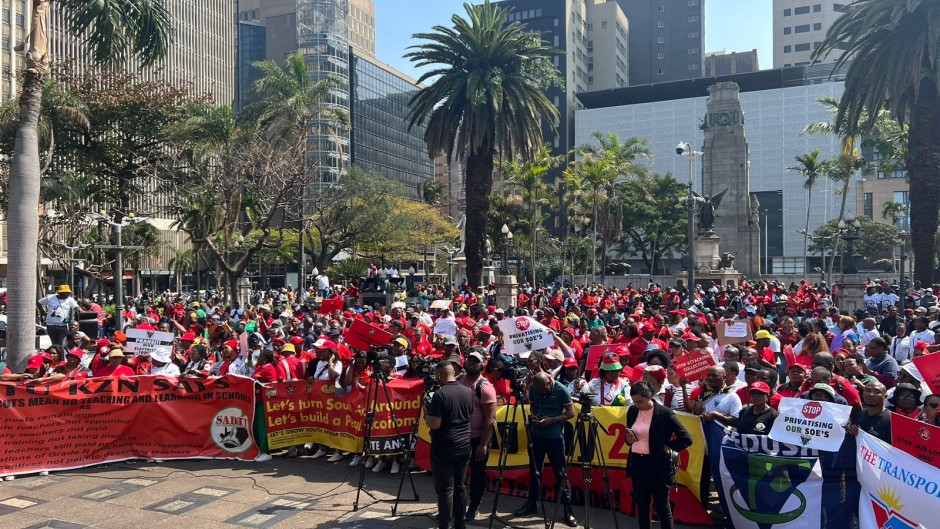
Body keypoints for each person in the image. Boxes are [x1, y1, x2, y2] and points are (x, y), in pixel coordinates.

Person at [625, 381, 693, 529]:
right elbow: (628, 436)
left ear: (650, 396)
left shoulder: (664, 413)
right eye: (635, 401)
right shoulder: (632, 410)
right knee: (642, 505)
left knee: (662, 506)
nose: (638, 405)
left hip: (657, 465)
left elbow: (686, 439)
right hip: (637, 462)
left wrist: (668, 445)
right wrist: (628, 440)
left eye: (640, 401)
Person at [513, 372, 578, 527]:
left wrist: (552, 420)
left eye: (545, 389)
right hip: (537, 435)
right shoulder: (535, 388)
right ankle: (531, 504)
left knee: (560, 473)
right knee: (535, 471)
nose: (542, 392)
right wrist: (534, 416)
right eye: (539, 390)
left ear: (550, 380)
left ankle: (568, 510)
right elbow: (533, 406)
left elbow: (571, 413)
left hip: (554, 437)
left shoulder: (561, 390)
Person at [425, 360, 474, 529]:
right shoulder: (468, 391)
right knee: (460, 486)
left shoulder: (440, 394)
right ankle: (460, 524)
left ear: (440, 375)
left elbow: (435, 424)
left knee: (445, 490)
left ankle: (445, 525)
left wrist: (426, 414)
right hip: (464, 444)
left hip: (445, 446)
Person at [459, 350, 497, 521]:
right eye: (469, 360)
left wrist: (483, 444)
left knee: (477, 474)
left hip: (477, 439)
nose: (471, 363)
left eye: (475, 361)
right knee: (456, 474)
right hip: (459, 437)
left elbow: (490, 419)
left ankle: (473, 507)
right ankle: (456, 506)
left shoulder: (485, 387)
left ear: (482, 365)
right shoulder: (459, 380)